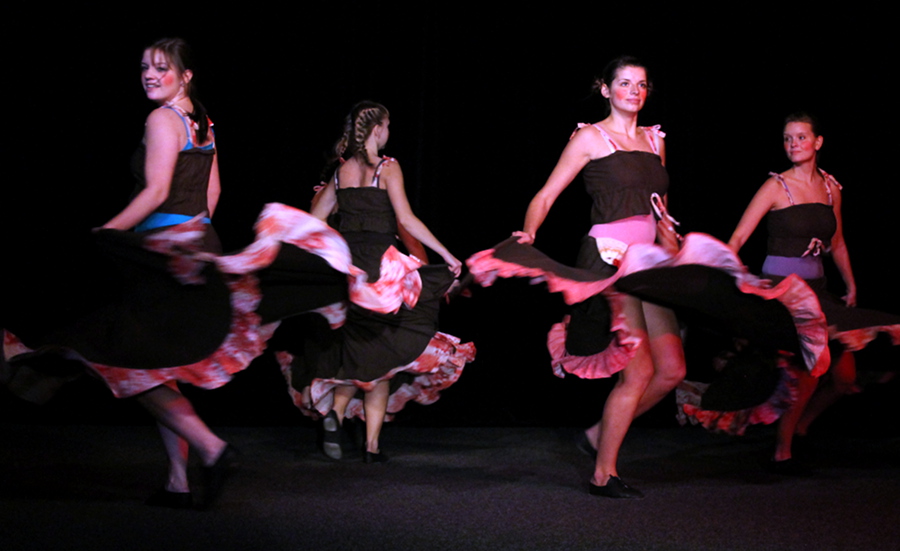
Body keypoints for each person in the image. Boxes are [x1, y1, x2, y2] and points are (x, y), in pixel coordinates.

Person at [467, 58, 828, 497]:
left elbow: (661, 211)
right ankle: (603, 474)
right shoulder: (590, 137)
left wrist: (675, 251)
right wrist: (530, 231)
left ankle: (597, 435)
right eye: (624, 83)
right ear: (606, 89)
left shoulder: (656, 139)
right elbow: (545, 195)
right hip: (610, 261)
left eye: (640, 84)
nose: (634, 91)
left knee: (672, 370)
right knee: (637, 374)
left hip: (649, 266)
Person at [284, 101, 475, 462]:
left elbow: (313, 222)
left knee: (366, 353)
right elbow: (408, 219)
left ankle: (346, 424)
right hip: (380, 272)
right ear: (377, 130)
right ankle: (366, 441)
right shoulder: (388, 168)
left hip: (349, 273)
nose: (389, 133)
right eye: (387, 126)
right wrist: (447, 255)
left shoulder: (341, 173)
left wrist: (333, 249)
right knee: (386, 349)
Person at [726, 112, 900, 471]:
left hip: (818, 291)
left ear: (818, 142)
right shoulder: (776, 186)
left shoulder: (830, 188)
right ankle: (783, 451)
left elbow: (838, 243)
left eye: (801, 137)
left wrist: (851, 283)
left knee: (845, 378)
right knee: (811, 368)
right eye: (787, 138)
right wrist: (726, 269)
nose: (793, 144)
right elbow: (740, 235)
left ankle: (800, 428)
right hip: (784, 291)